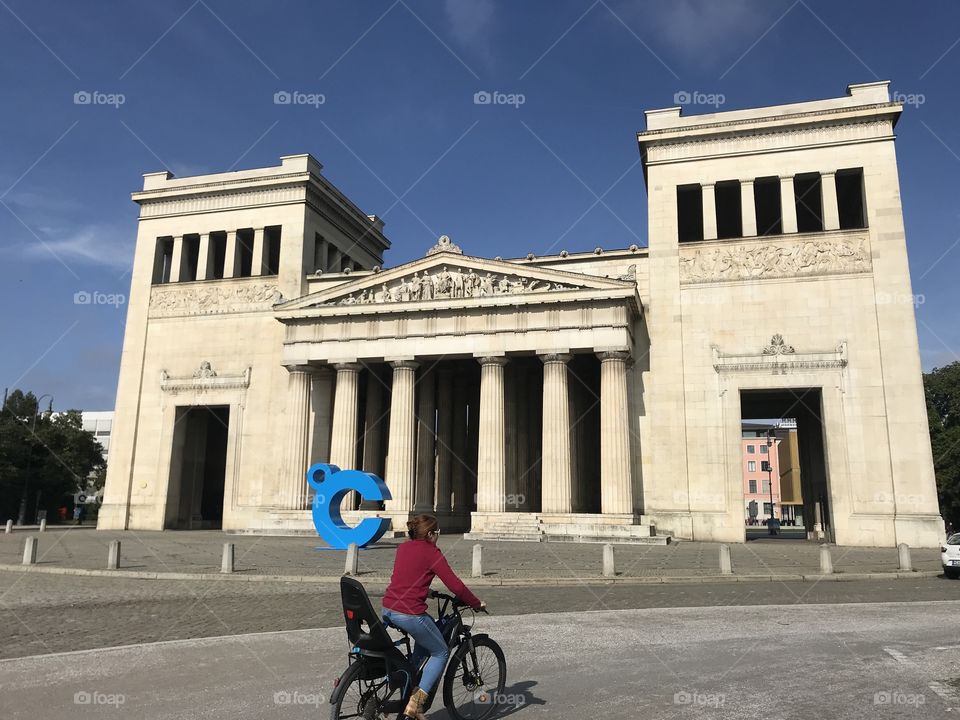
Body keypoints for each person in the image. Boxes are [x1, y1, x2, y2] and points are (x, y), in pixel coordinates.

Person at [382, 514, 483, 720]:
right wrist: (476, 603)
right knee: (441, 652)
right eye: (437, 533)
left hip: (388, 609)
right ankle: (415, 704)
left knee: (423, 645)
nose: (438, 536)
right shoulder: (431, 553)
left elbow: (403, 576)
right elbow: (455, 585)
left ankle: (408, 686)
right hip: (409, 613)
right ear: (430, 534)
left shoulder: (403, 548)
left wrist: (423, 590)